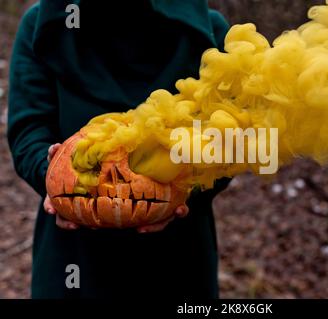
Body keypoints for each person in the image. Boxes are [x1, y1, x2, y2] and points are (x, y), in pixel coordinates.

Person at [7, 0, 230, 299]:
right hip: (74, 255)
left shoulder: (209, 31)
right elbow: (28, 126)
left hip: (177, 257)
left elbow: (231, 139)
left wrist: (185, 188)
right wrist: (51, 175)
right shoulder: (44, 25)